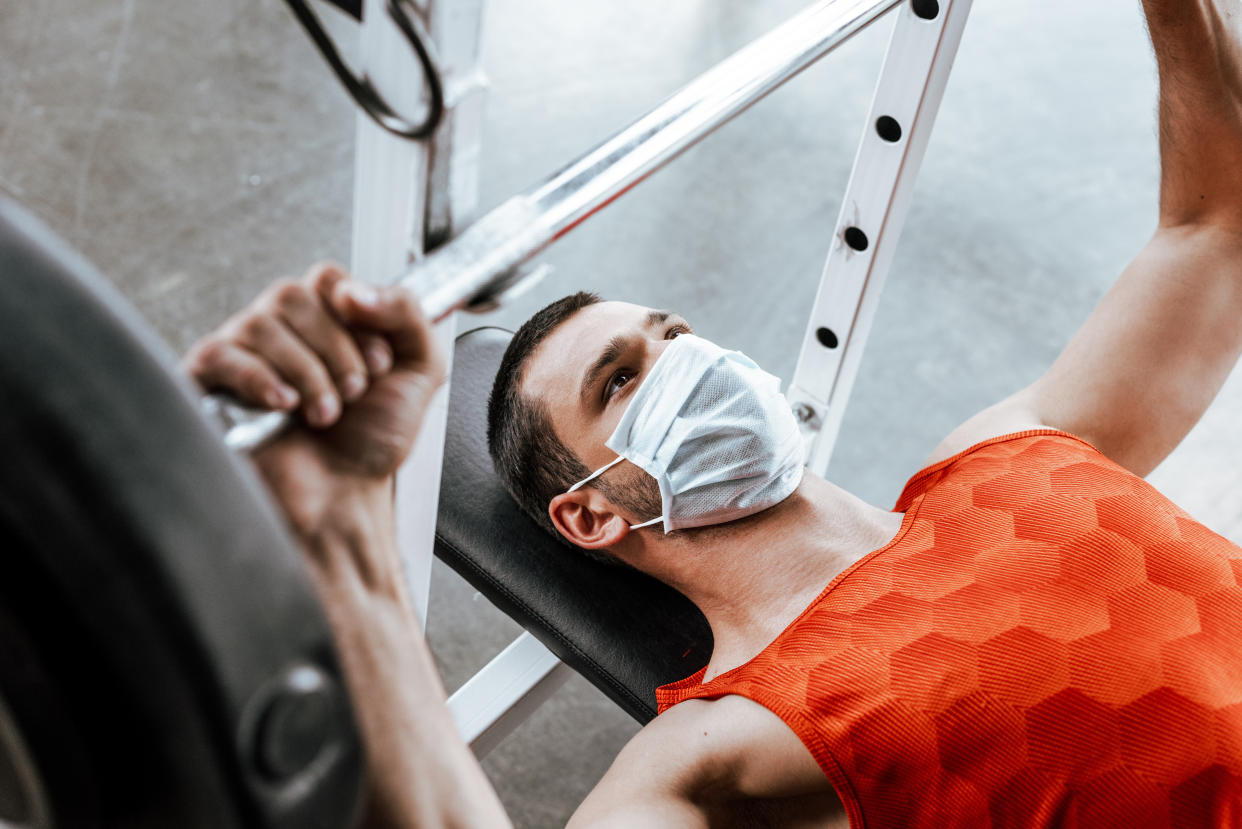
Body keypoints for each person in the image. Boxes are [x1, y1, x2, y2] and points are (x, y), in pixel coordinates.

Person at [185, 0, 1242, 824]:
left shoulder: (1001, 456)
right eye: (623, 378)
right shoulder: (723, 745)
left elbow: (1216, 224)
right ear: (593, 512)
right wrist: (341, 537)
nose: (688, 357)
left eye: (673, 332)